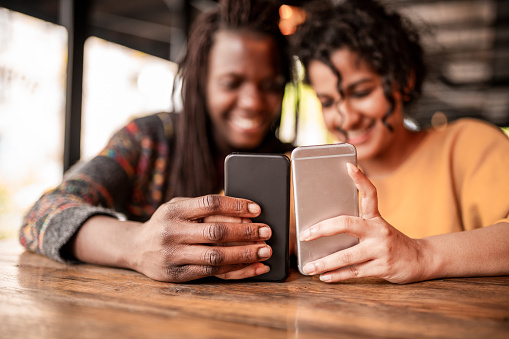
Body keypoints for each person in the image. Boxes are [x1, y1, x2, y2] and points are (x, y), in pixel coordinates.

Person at [20, 0, 294, 283]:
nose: (253, 102)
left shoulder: (293, 163)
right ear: (201, 82)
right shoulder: (149, 141)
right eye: (231, 83)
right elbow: (40, 217)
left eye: (270, 85)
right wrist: (137, 243)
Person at [291, 0, 509, 284]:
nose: (347, 119)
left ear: (404, 79)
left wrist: (420, 254)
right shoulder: (299, 174)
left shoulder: (469, 145)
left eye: (361, 92)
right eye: (328, 101)